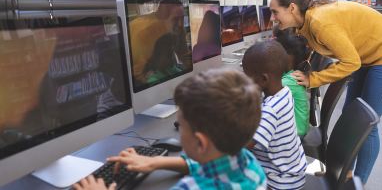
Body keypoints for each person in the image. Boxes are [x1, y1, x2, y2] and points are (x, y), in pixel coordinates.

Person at [74, 68, 267, 190]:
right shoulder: (247, 162)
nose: (178, 129)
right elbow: (210, 165)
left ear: (200, 142)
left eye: (181, 126)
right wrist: (156, 162)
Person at [270, 0, 382, 184]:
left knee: (367, 124)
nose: (273, 18)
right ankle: (346, 174)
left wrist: (313, 80)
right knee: (350, 114)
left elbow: (351, 62)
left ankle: (358, 183)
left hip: (378, 57)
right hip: (366, 56)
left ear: (292, 8)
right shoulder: (306, 23)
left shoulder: (320, 22)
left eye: (275, 12)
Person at [242, 40, 307, 190]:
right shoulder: (284, 93)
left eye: (246, 76)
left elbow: (243, 148)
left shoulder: (270, 111)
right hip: (293, 174)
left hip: (279, 183)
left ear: (264, 79)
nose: (244, 81)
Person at [274, 27, 311, 137]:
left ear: (287, 57)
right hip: (299, 127)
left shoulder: (289, 81)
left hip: (297, 132)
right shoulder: (294, 73)